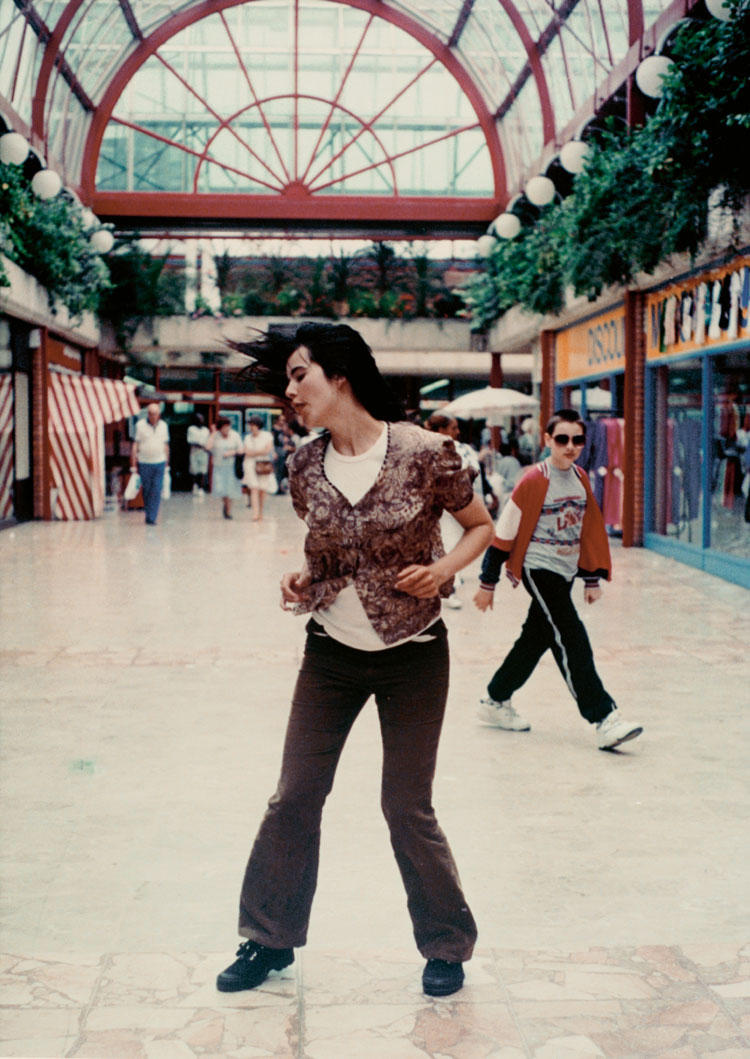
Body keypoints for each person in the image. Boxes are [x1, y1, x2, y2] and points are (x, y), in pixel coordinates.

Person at [217, 322, 493, 998]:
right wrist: (299, 582)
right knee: (294, 796)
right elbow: (327, 556)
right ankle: (267, 939)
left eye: (299, 375)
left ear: (339, 376)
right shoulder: (303, 467)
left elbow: (481, 526)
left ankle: (446, 944)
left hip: (414, 653)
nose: (290, 391)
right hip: (331, 655)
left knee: (406, 804)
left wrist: (443, 570)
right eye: (286, 378)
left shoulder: (429, 452)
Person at [473, 409, 643, 751]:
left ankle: (495, 700)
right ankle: (603, 717)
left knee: (534, 640)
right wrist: (487, 582)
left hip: (565, 572)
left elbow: (589, 531)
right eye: (562, 439)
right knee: (572, 635)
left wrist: (591, 578)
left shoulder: (581, 477)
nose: (570, 446)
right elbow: (504, 533)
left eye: (577, 439)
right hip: (540, 569)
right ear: (547, 440)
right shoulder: (534, 480)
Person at [424, 413, 482, 610]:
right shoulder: (430, 448)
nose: (457, 431)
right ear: (440, 430)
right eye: (453, 427)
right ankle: (448, 589)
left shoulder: (461, 448)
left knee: (452, 544)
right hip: (442, 504)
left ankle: (449, 584)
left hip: (459, 503)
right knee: (448, 545)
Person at [130, 402, 169, 525]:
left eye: (155, 414)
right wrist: (133, 463)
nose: (153, 416)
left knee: (156, 489)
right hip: (144, 462)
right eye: (151, 414)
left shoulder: (163, 426)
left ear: (159, 414)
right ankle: (148, 513)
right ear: (148, 414)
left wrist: (167, 463)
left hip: (159, 462)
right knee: (147, 490)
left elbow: (166, 445)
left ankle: (152, 517)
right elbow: (135, 445)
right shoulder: (140, 425)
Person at [204, 417, 243, 519]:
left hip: (231, 467)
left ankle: (228, 510)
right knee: (222, 489)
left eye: (228, 427)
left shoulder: (235, 435)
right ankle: (226, 505)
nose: (226, 430)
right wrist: (213, 433)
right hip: (219, 467)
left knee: (231, 489)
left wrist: (232, 452)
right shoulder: (215, 436)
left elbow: (241, 450)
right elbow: (207, 447)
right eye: (224, 427)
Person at [243, 414, 277, 521]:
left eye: (253, 425)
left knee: (262, 489)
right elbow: (247, 452)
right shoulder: (248, 437)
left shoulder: (267, 436)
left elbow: (268, 450)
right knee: (254, 488)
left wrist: (254, 453)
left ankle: (261, 512)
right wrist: (260, 452)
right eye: (250, 425)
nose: (251, 427)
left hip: (263, 464)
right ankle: (255, 513)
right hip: (250, 464)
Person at [187, 413, 209, 495]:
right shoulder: (191, 429)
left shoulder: (206, 430)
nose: (201, 420)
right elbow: (190, 441)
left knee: (202, 470)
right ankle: (194, 486)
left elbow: (208, 441)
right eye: (199, 418)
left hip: (203, 452)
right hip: (195, 452)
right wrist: (200, 444)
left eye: (202, 418)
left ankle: (201, 488)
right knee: (194, 470)